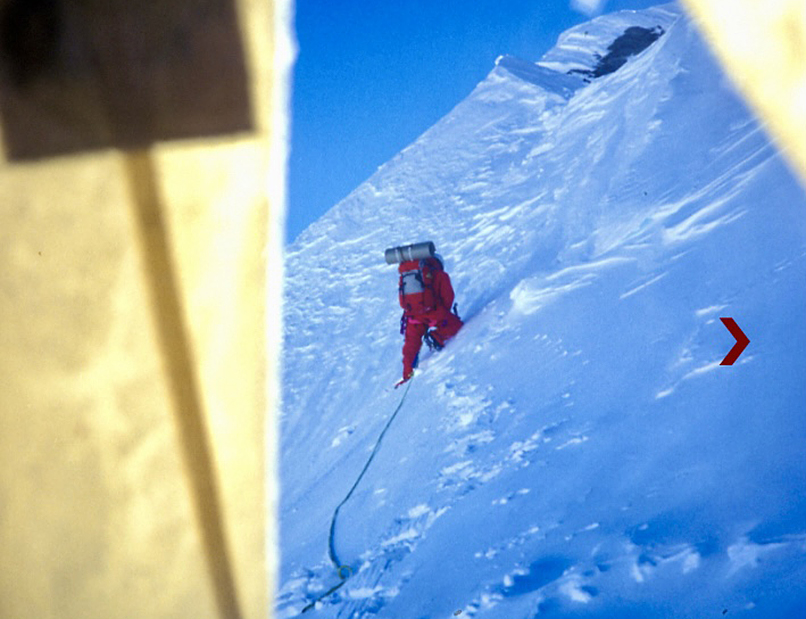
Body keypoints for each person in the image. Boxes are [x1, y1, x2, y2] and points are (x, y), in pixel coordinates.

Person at [396, 254, 463, 386]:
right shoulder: (440, 275)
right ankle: (436, 337)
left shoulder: (407, 275)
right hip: (433, 313)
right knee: (456, 326)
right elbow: (447, 299)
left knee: (410, 345)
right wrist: (442, 314)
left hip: (412, 316)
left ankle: (407, 375)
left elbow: (402, 299)